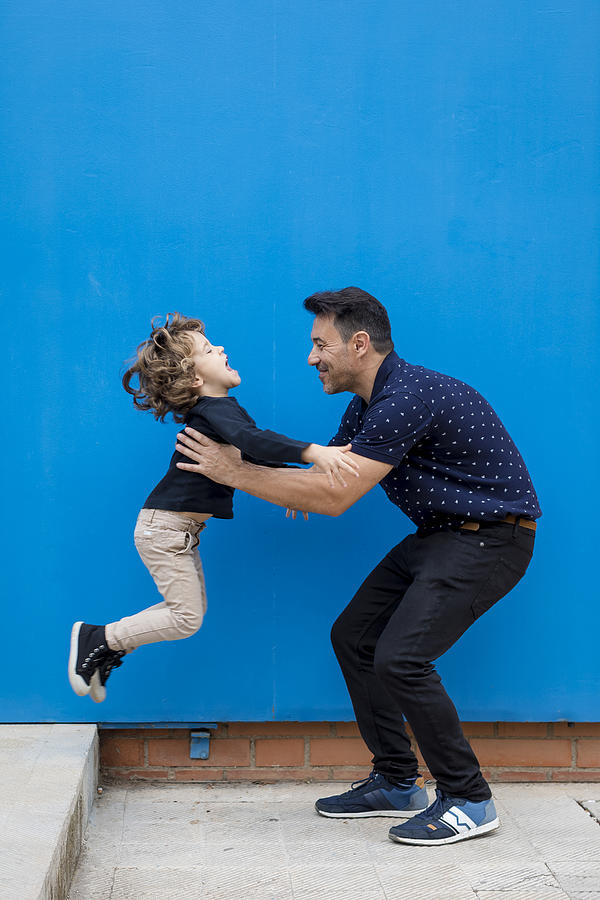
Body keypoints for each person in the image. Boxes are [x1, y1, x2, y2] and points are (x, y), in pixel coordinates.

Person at [175, 286, 541, 846]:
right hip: (440, 537)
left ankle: (469, 798)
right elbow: (323, 478)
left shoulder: (406, 397)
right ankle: (397, 781)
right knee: (354, 637)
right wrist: (270, 474)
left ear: (360, 344)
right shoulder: (368, 403)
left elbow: (335, 495)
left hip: (491, 539)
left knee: (402, 658)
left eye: (320, 344)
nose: (311, 357)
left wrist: (235, 474)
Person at [68, 313, 358, 703]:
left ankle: (106, 644)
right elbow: (253, 442)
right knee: (186, 618)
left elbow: (248, 451)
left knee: (188, 614)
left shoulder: (222, 412)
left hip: (175, 532)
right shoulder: (214, 410)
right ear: (194, 379)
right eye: (208, 349)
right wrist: (313, 453)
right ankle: (101, 638)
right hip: (165, 531)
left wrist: (296, 487)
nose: (220, 348)